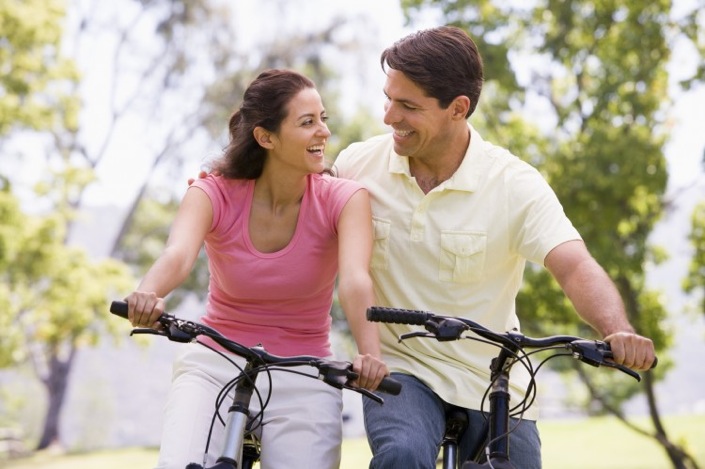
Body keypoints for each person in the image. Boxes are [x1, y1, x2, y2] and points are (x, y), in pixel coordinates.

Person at [331, 26, 657, 469]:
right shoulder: (356, 165)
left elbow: (574, 265)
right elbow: (293, 199)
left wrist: (615, 329)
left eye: (408, 106)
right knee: (402, 456)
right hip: (402, 371)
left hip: (495, 376)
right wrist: (221, 182)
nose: (389, 116)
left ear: (458, 109)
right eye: (388, 99)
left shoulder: (513, 184)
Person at [126, 69, 389, 469]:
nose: (323, 133)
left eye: (323, 119)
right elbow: (178, 255)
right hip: (216, 360)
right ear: (266, 137)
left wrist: (370, 354)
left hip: (304, 370)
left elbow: (354, 279)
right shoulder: (212, 191)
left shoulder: (345, 199)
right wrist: (149, 293)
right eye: (307, 122)